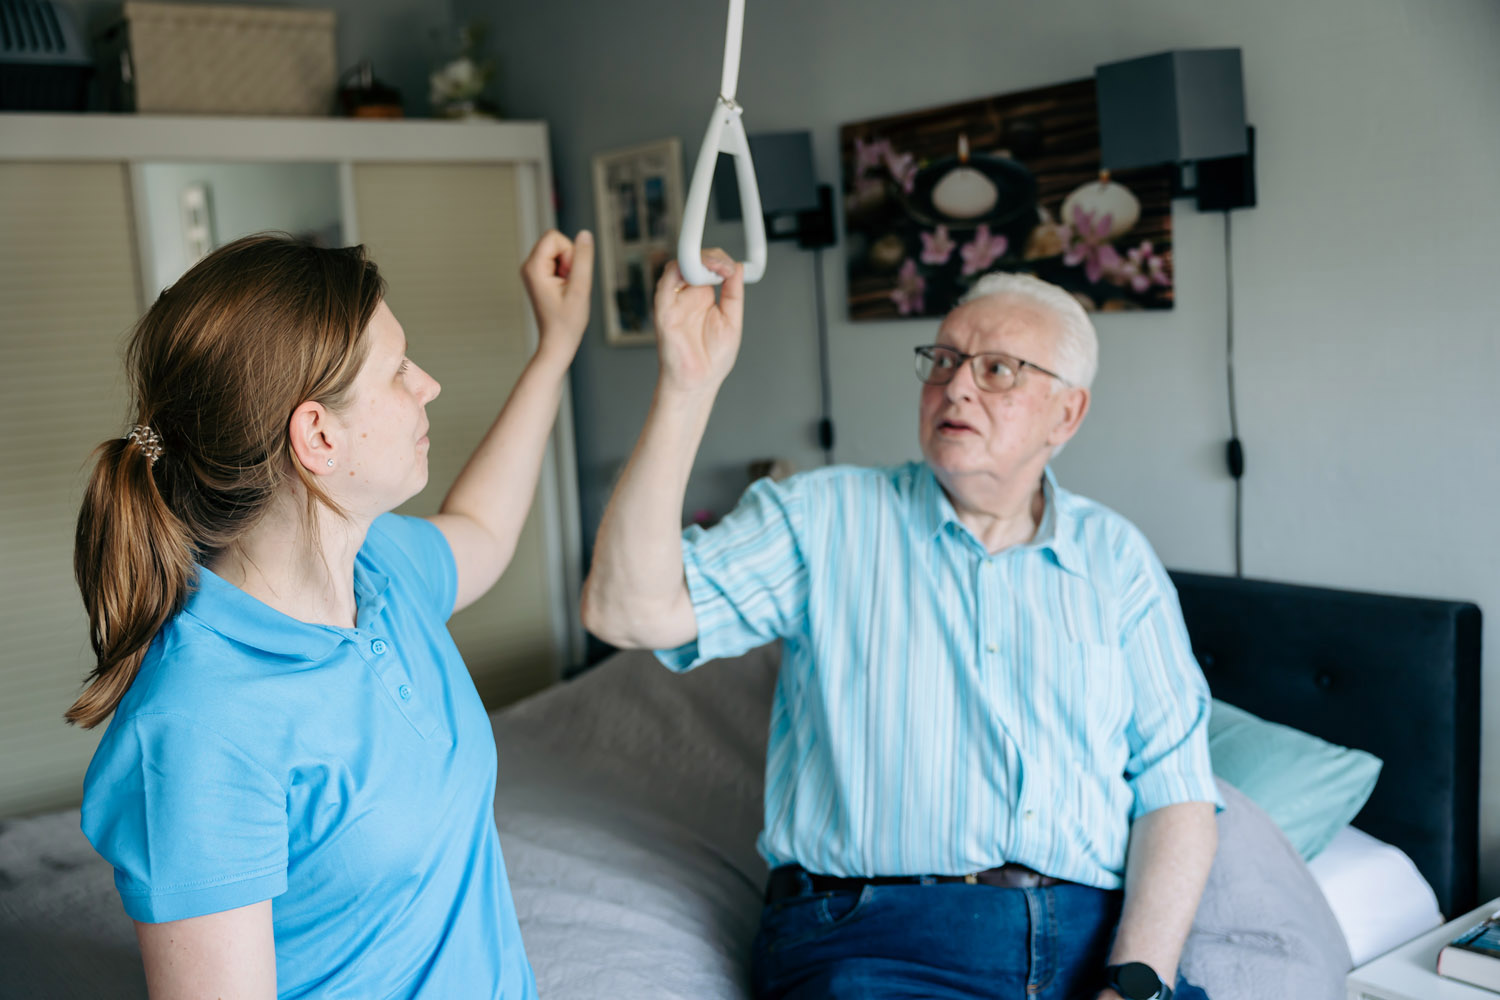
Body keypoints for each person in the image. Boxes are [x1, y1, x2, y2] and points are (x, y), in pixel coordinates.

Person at [581, 253, 1221, 1000]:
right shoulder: (824, 518)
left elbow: (1176, 790)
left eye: (998, 370)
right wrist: (687, 386)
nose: (955, 385)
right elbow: (623, 610)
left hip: (1095, 941)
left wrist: (1137, 981)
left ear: (1067, 413)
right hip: (881, 938)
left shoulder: (1117, 559)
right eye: (944, 359)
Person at [70, 228, 594, 999]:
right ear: (317, 434)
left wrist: (557, 348)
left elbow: (483, 529)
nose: (429, 386)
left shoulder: (379, 568)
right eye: (400, 371)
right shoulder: (197, 729)